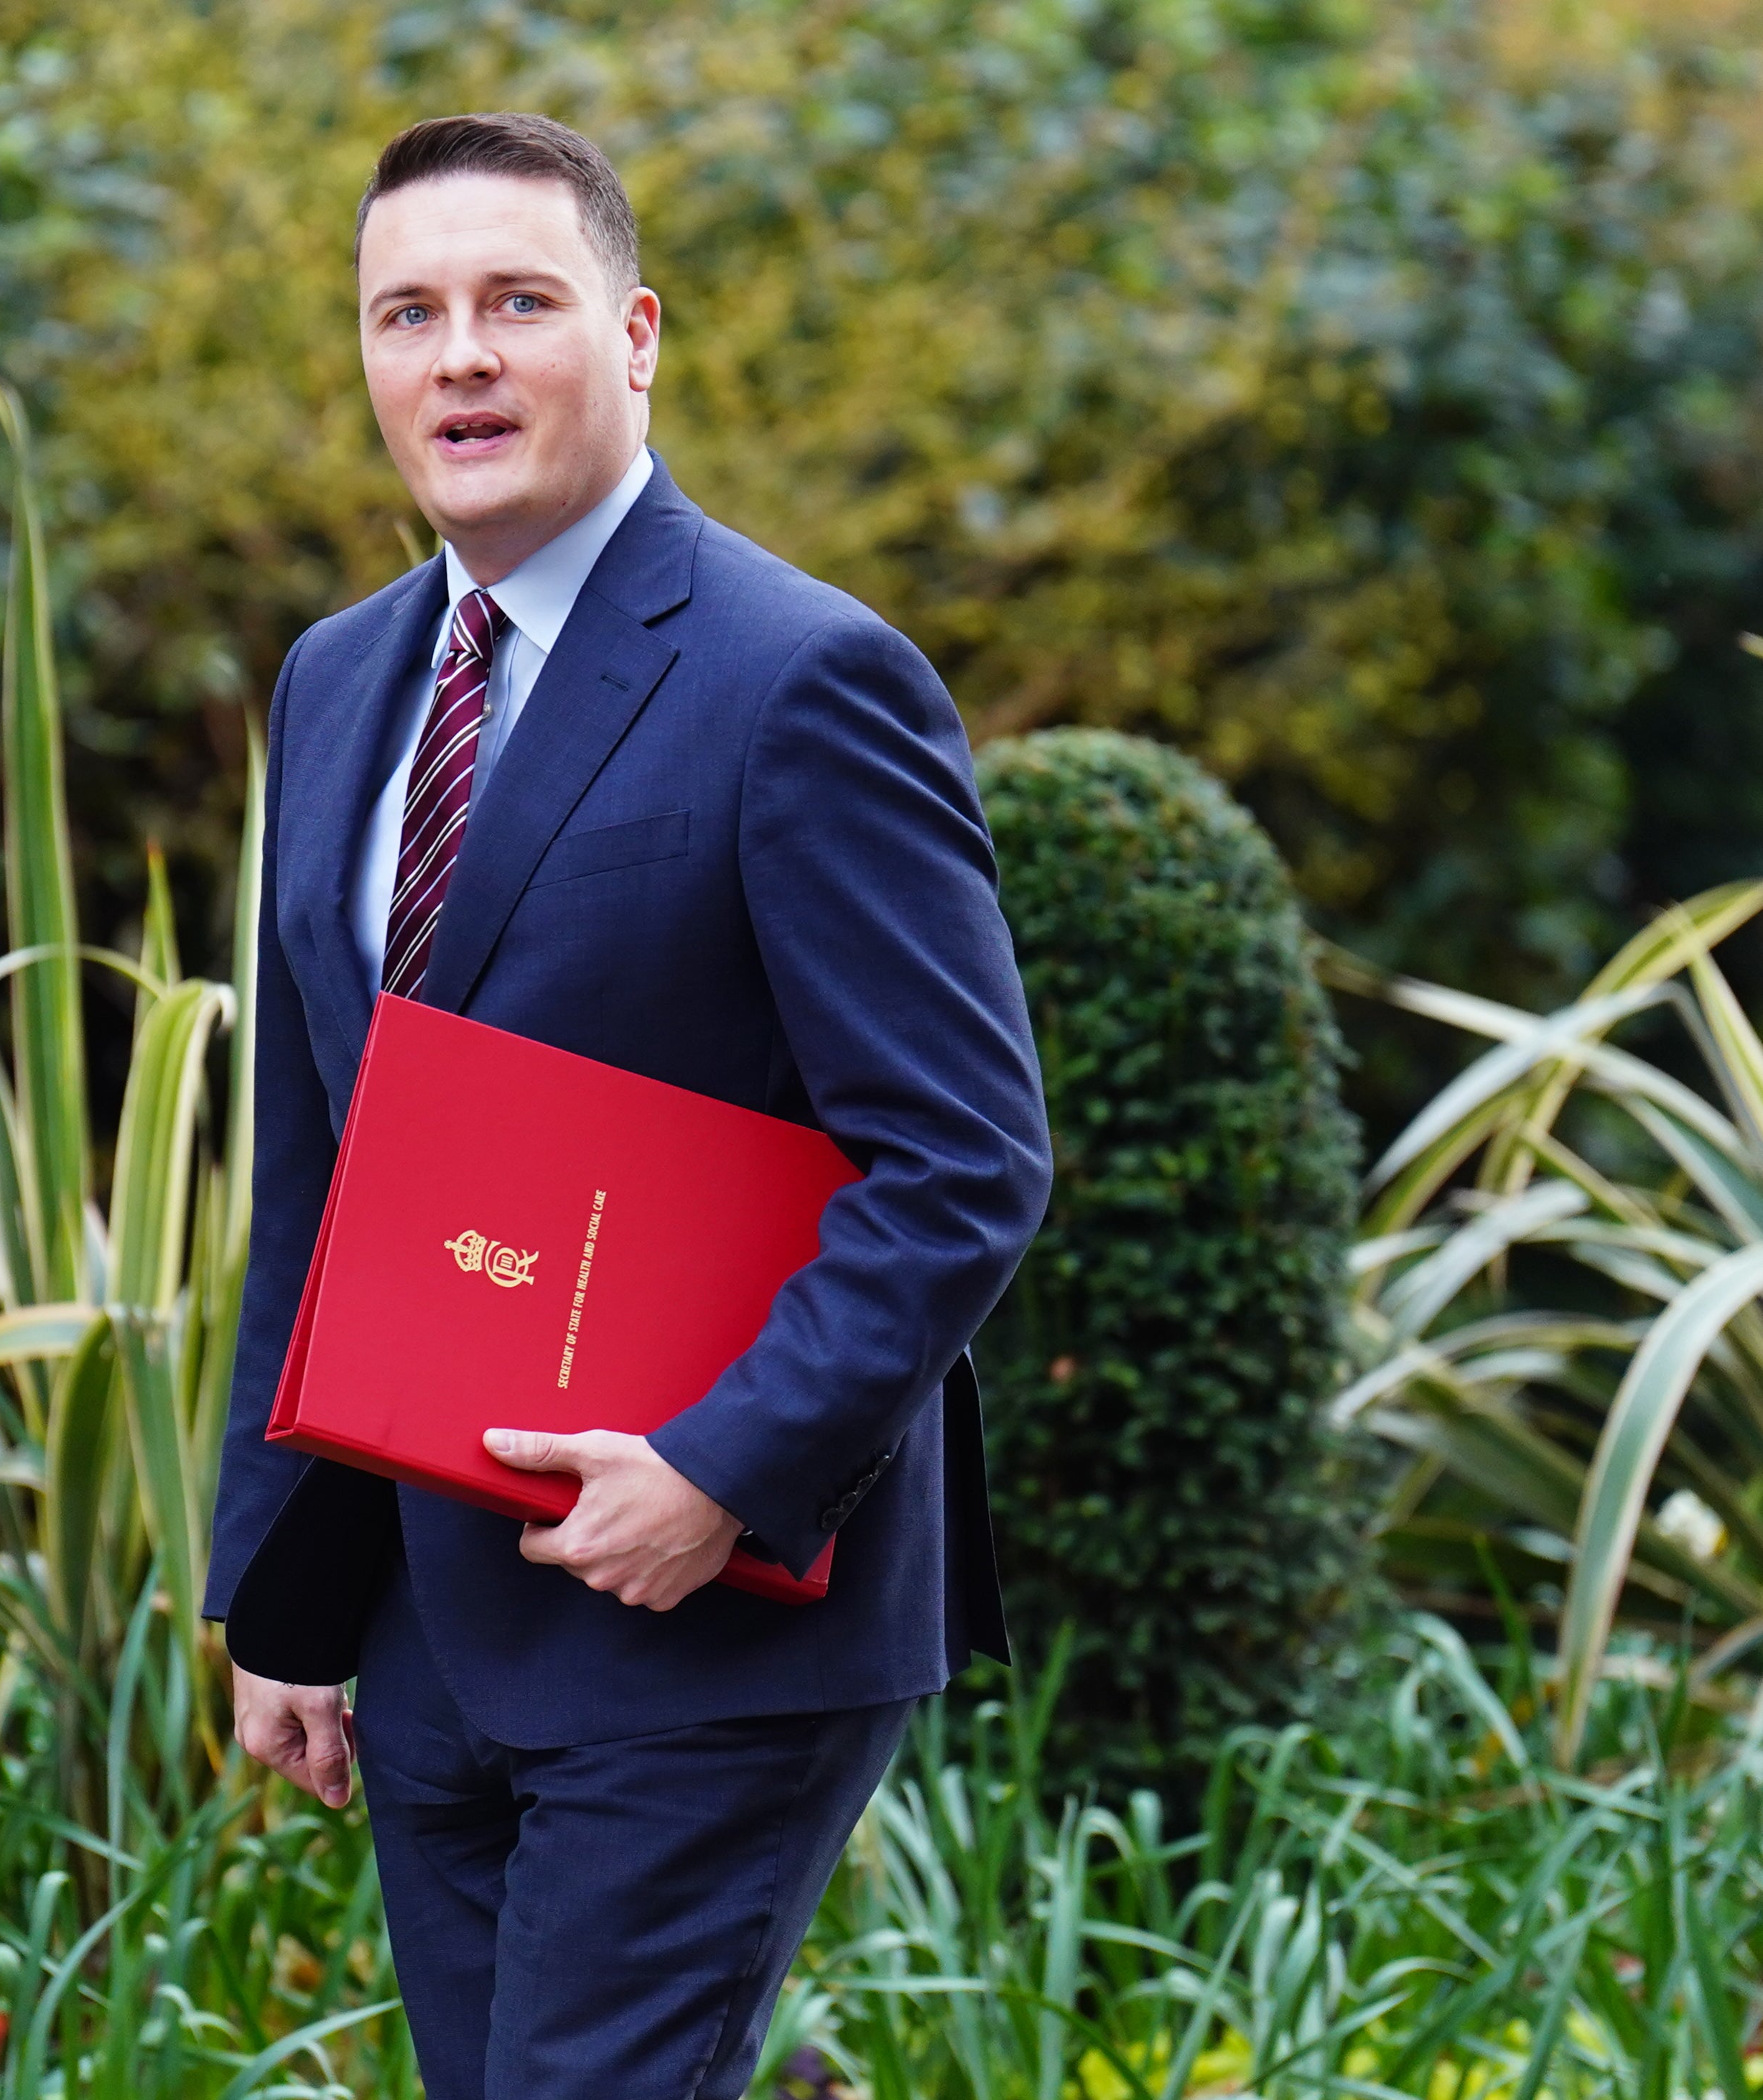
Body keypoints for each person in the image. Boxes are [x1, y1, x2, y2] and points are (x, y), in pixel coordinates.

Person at [202, 113, 1053, 2100]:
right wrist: (281, 1586)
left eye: (518, 301)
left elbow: (963, 1159)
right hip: (423, 1623)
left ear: (636, 331)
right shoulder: (336, 682)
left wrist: (725, 1468)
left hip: (708, 1623)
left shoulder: (802, 678)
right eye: (406, 314)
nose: (459, 356)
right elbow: (320, 1159)